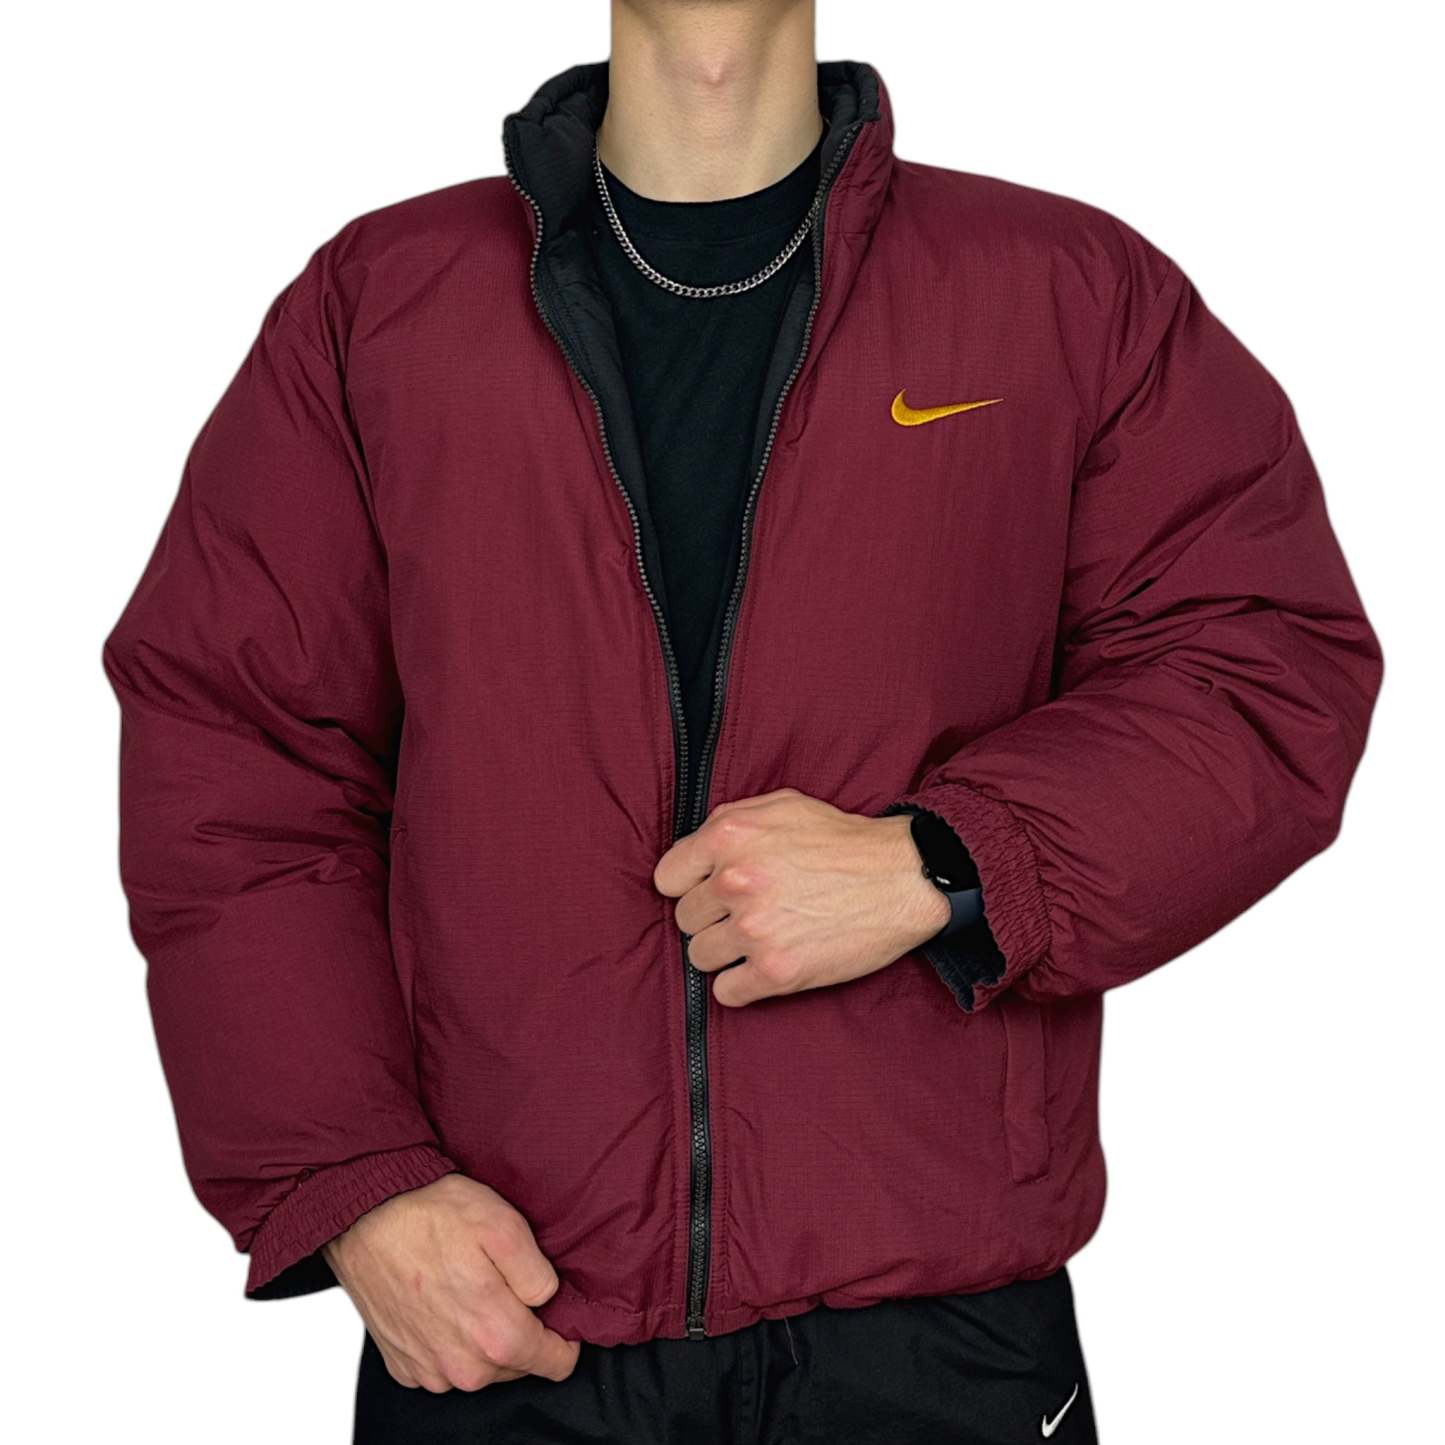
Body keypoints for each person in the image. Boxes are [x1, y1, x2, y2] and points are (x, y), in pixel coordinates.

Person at [102, 1, 1382, 1441]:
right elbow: (238, 753)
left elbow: (1260, 662)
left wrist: (944, 862)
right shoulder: (381, 304)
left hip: (935, 1332)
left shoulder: (1062, 290)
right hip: (507, 1322)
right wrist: (354, 1186)